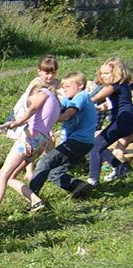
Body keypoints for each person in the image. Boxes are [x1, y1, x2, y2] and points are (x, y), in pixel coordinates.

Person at [14, 72, 98, 209]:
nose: (64, 89)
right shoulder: (70, 99)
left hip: (79, 142)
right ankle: (79, 186)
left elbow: (67, 115)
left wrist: (48, 120)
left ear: (80, 85)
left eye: (67, 86)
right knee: (55, 172)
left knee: (45, 161)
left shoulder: (81, 96)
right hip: (82, 143)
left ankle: (32, 197)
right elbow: (56, 104)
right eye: (63, 87)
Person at [0, 77, 60, 218]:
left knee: (3, 174)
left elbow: (33, 107)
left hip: (30, 139)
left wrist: (19, 121)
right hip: (42, 142)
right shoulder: (54, 100)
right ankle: (36, 201)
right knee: (10, 177)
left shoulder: (42, 92)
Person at [88, 58, 133, 184]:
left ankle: (93, 180)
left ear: (117, 73)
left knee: (95, 145)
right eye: (101, 73)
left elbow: (96, 97)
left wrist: (77, 103)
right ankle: (120, 168)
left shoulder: (115, 85)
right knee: (98, 144)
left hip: (123, 121)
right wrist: (101, 107)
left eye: (106, 73)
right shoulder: (122, 86)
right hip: (125, 120)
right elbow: (114, 103)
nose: (103, 76)